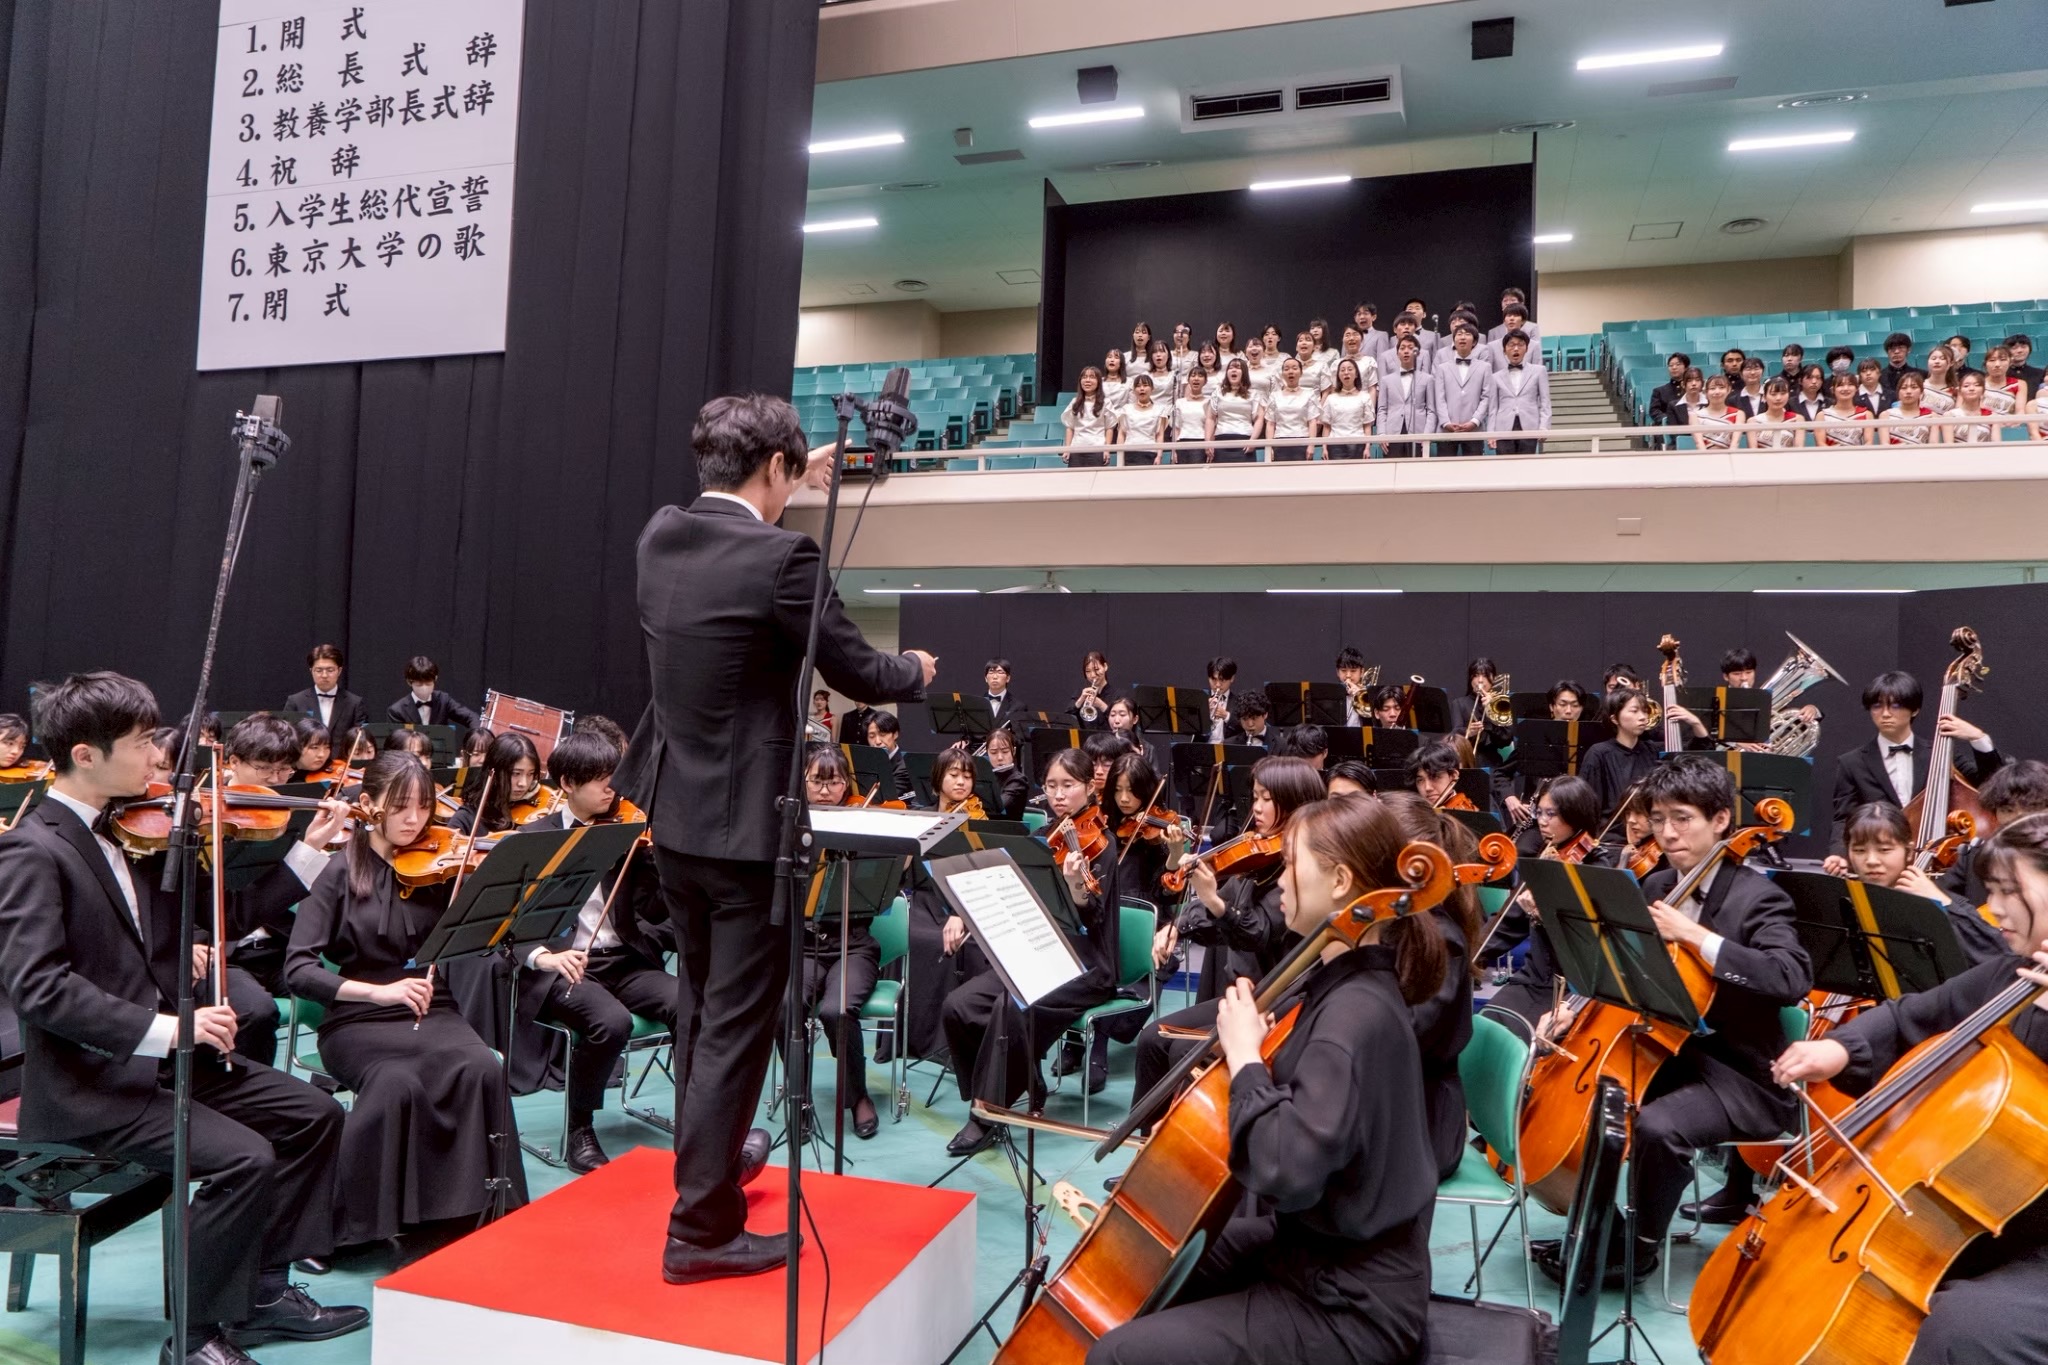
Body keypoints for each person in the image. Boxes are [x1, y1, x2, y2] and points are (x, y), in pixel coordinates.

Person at [615, 393, 933, 1284]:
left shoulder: (660, 537)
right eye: (791, 472)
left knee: (699, 1008)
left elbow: (740, 514)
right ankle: (701, 1231)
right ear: (774, 472)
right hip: (750, 834)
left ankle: (706, 1172)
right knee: (737, 1029)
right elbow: (860, 671)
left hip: (675, 819)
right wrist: (917, 669)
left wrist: (800, 467)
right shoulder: (785, 557)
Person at [0, 673, 367, 1365]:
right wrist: (173, 1028)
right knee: (245, 1157)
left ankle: (261, 1294)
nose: (158, 762)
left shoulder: (132, 834)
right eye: (143, 744)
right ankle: (194, 1336)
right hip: (92, 1086)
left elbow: (228, 920)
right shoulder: (32, 847)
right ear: (86, 753)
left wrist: (310, 850)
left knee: (316, 1115)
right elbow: (40, 988)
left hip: (162, 1065)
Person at [1085, 794, 1441, 1365]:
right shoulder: (1346, 986)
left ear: (1343, 881)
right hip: (1316, 1250)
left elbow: (1284, 1171)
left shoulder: (1351, 1017)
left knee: (1117, 1355)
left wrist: (1247, 1057)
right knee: (1149, 1271)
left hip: (1347, 1305)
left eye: (1291, 864)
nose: (1278, 881)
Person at [1768, 813, 2048, 1365]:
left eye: (2010, 893)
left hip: (2037, 1245)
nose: (1994, 910)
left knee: (1959, 1329)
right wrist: (1839, 1049)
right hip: (1988, 1219)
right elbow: (1908, 1015)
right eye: (1989, 891)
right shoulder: (2010, 976)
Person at [1532, 757, 1812, 1288]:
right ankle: (1596, 1228)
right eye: (1658, 818)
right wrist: (1569, 1011)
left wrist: (1697, 937)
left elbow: (1791, 976)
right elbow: (1614, 965)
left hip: (1739, 1075)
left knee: (1658, 1127)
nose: (1667, 832)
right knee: (1598, 1104)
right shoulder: (1657, 882)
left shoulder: (1760, 897)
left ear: (1721, 821)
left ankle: (1638, 1250)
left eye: (1682, 818)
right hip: (1666, 1052)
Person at [286, 751, 530, 1246]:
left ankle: (463, 1212)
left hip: (432, 1005)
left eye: (422, 807)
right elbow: (298, 970)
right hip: (357, 1018)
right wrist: (378, 993)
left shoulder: (439, 867)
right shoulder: (337, 871)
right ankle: (347, 1225)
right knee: (396, 1081)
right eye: (400, 807)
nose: (415, 820)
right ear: (370, 805)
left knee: (481, 1066)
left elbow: (476, 935)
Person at [465, 731, 674, 1173]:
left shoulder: (628, 832)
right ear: (566, 784)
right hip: (561, 967)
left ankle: (698, 1118)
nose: (612, 789)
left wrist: (658, 862)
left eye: (615, 778)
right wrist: (543, 956)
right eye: (600, 780)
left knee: (691, 1005)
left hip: (622, 960)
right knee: (611, 1023)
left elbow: (653, 909)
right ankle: (580, 1126)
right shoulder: (531, 840)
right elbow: (505, 925)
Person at [940, 748, 1121, 1156]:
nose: (1058, 795)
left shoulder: (1102, 845)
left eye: (1068, 786)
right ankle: (1017, 1081)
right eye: (1052, 786)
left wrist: (1076, 887)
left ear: (1089, 787)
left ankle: (987, 1114)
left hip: (1086, 964)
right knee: (959, 1005)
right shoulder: (1041, 839)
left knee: (1011, 1005)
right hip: (1038, 953)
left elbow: (1090, 918)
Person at [781, 745, 884, 1139]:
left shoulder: (862, 826)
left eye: (834, 781)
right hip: (804, 945)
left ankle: (857, 1097)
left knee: (837, 1012)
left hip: (853, 944)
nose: (825, 790)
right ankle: (799, 1098)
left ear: (846, 785)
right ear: (803, 783)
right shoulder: (791, 829)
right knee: (786, 1006)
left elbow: (881, 891)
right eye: (817, 781)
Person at [1824, 669, 2001, 862]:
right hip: (1881, 861)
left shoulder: (1942, 753)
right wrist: (1839, 855)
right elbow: (1843, 819)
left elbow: (1992, 786)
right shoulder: (1851, 763)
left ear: (1914, 709)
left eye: (1896, 706)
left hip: (1939, 858)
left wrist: (1979, 738)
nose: (1885, 714)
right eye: (1877, 706)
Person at [1486, 775, 1612, 1028]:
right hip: (1534, 976)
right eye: (1539, 812)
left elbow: (1592, 948)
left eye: (1551, 814)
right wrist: (1469, 953)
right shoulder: (1548, 858)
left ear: (1575, 815)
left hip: (1569, 988)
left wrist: (1544, 917)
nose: (1541, 822)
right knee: (1487, 1022)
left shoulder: (1597, 868)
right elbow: (1509, 923)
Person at [1483, 330, 1549, 455]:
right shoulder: (1496, 377)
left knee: (1526, 467)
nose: (1516, 348)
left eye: (1520, 344)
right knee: (1505, 467)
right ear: (1504, 350)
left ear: (1526, 348)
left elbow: (1545, 402)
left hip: (1530, 425)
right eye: (1511, 345)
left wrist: (1544, 427)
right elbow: (1493, 408)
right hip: (1503, 427)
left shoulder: (1539, 371)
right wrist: (1491, 433)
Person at [286, 643, 370, 739]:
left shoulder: (355, 703)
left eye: (330, 670)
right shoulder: (296, 701)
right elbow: (288, 738)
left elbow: (361, 739)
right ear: (311, 671)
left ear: (339, 671)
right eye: (319, 670)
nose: (324, 675)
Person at [1431, 321, 1489, 457]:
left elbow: (1486, 397)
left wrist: (1474, 421)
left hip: (1474, 429)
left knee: (1474, 471)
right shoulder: (1442, 368)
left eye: (1467, 334)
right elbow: (1439, 398)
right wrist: (1445, 422)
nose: (1462, 337)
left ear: (1474, 343)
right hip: (1447, 429)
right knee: (1445, 470)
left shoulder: (1484, 367)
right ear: (1453, 340)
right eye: (1459, 334)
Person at [1373, 334, 1433, 457]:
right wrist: (1381, 434)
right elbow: (1382, 409)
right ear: (1397, 353)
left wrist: (1427, 435)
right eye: (1402, 348)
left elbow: (1431, 410)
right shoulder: (1386, 380)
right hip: (1392, 432)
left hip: (1418, 433)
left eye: (1410, 348)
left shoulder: (1427, 379)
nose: (1406, 351)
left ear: (1417, 353)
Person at [1255, 356, 1319, 461]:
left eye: (1294, 368)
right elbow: (1270, 424)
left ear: (1301, 372)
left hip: (1302, 440)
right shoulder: (1274, 395)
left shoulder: (1309, 394)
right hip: (1280, 441)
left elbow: (1312, 422)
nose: (1290, 372)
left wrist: (1311, 445)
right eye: (1286, 369)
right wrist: (1269, 447)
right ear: (1282, 374)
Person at [385, 656, 476, 729]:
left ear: (435, 679)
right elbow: (397, 743)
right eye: (419, 684)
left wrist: (478, 737)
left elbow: (470, 717)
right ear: (409, 682)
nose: (424, 688)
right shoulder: (396, 711)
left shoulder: (444, 700)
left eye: (428, 683)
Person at [1063, 367, 1114, 468]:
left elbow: (1109, 428)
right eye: (1084, 377)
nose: (1087, 380)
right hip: (1077, 449)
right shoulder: (1074, 402)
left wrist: (1107, 450)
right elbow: (1070, 427)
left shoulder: (1106, 403)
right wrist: (1067, 449)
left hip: (1097, 449)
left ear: (1098, 382)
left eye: (1092, 377)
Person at [1209, 358, 1258, 463]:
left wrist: (1253, 440)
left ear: (1244, 373)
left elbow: (1259, 419)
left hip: (1245, 440)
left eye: (1238, 368)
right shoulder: (1218, 392)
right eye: (1230, 368)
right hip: (1221, 438)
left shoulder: (1253, 394)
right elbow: (1211, 418)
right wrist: (1208, 442)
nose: (1234, 370)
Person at [1119, 374, 1171, 465]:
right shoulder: (1126, 409)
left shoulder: (1159, 410)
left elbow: (1159, 435)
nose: (1142, 389)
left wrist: (1159, 456)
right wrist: (1120, 459)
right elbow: (1121, 434)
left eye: (1145, 385)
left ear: (1152, 389)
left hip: (1150, 452)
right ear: (1134, 390)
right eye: (1138, 386)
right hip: (1130, 452)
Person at [1882, 370, 1943, 446]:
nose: (1908, 391)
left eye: (1914, 387)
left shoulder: (1932, 416)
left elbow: (1933, 445)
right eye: (1904, 388)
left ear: (1921, 392)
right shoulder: (1886, 415)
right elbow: (1885, 445)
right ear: (1898, 392)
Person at [982, 725, 1030, 821]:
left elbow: (998, 807)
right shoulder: (984, 777)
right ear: (987, 753)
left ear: (1014, 751)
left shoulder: (1019, 781)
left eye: (1005, 751)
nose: (1000, 757)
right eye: (994, 752)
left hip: (1009, 833)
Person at [1816, 371, 1874, 447]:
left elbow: (1869, 443)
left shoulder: (1866, 415)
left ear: (1857, 389)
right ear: (1833, 390)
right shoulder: (1822, 416)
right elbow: (1820, 443)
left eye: (1850, 385)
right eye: (1841, 385)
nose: (1846, 388)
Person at [1170, 363, 1214, 463]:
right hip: (1182, 442)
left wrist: (1210, 445)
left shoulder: (1209, 401)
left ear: (1205, 381)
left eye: (1200, 376)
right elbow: (1176, 428)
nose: (1196, 379)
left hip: (1201, 442)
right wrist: (1174, 450)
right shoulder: (1180, 402)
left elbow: (1212, 427)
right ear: (1188, 380)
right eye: (1193, 376)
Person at [1746, 375, 1805, 448]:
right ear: (1764, 396)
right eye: (1773, 394)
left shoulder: (1797, 419)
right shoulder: (1753, 421)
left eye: (1783, 393)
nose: (1778, 398)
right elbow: (1753, 452)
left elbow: (1799, 449)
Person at [1648, 352, 1691, 448]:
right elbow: (1654, 411)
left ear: (1686, 367)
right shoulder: (1659, 391)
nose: (1674, 367)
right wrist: (1669, 419)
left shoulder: (1693, 389)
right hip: (1668, 426)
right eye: (1671, 365)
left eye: (1678, 364)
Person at [865, 711, 911, 800]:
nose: (877, 741)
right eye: (871, 736)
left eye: (882, 734)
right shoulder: (864, 763)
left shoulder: (905, 766)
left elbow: (885, 797)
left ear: (895, 734)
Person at [1072, 649, 1123, 728]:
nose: (1092, 675)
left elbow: (1120, 723)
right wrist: (1080, 700)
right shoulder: (1080, 693)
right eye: (1088, 671)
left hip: (1109, 738)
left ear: (1105, 667)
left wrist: (1101, 705)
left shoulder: (1118, 695)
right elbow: (1068, 717)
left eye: (1096, 669)